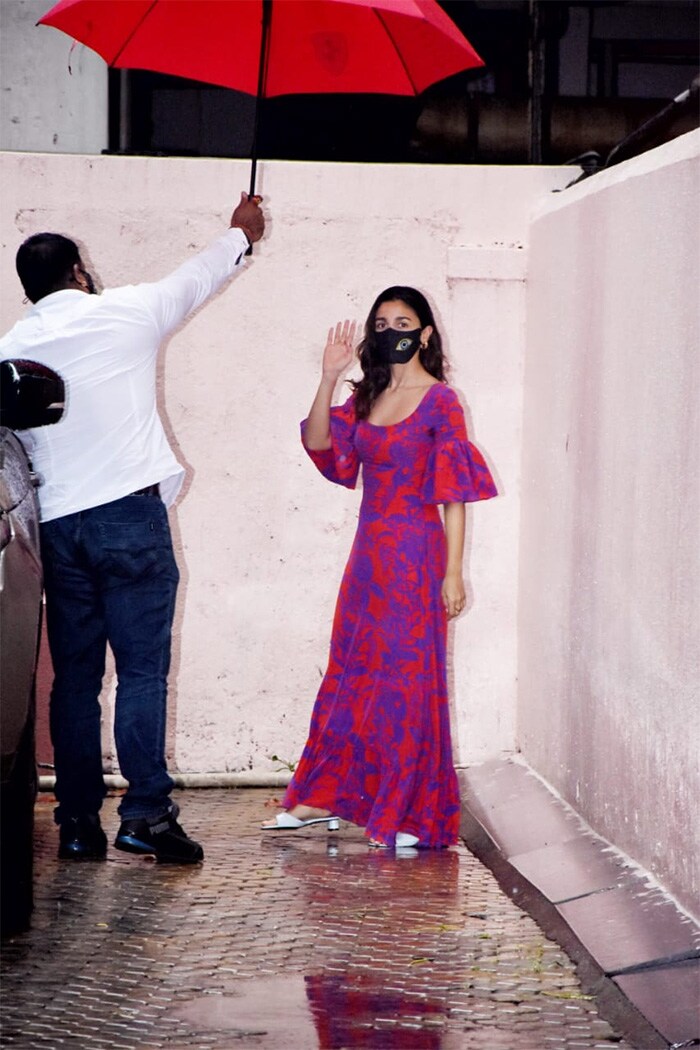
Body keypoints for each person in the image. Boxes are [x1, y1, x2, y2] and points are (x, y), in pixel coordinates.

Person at [0, 193, 265, 864]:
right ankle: (145, 815)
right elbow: (198, 275)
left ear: (30, 290)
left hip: (57, 530)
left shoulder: (11, 347)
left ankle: (78, 824)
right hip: (129, 517)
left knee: (75, 680)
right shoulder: (124, 311)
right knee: (143, 671)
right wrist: (240, 232)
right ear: (79, 274)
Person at [262, 286, 497, 848]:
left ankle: (410, 811)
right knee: (352, 672)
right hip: (368, 558)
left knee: (408, 681)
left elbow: (454, 496)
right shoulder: (366, 396)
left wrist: (454, 572)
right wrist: (327, 376)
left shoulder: (442, 401)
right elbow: (321, 443)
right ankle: (327, 795)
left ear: (426, 333)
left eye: (404, 320)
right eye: (384, 321)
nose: (393, 329)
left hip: (417, 555)